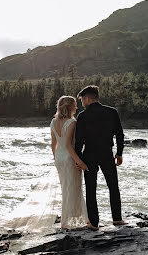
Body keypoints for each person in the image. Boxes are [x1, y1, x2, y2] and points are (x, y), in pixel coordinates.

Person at [75, 85, 125, 231]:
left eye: (82, 100)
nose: (82, 104)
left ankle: (94, 223)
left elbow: (79, 141)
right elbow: (120, 134)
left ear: (88, 99)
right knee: (113, 186)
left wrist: (78, 160)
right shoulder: (112, 112)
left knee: (91, 189)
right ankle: (117, 219)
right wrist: (119, 153)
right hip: (107, 154)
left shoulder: (83, 116)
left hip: (89, 155)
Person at [50, 96, 89, 230]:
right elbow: (68, 145)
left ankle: (68, 220)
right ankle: (70, 221)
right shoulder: (72, 122)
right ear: (70, 107)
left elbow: (53, 144)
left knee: (65, 188)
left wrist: (56, 159)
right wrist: (80, 162)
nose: (76, 107)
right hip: (69, 158)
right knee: (75, 187)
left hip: (59, 159)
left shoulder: (53, 122)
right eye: (74, 105)